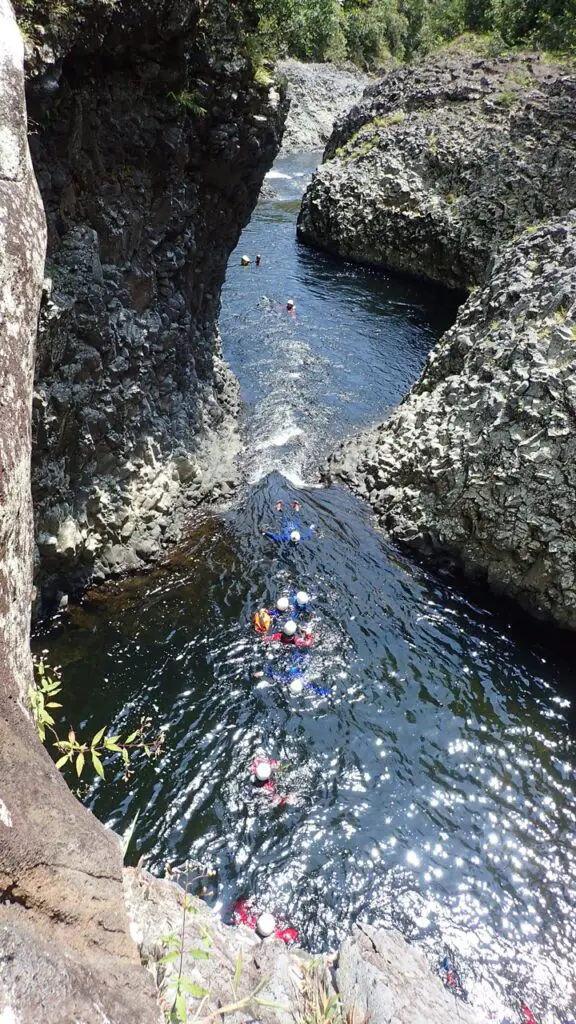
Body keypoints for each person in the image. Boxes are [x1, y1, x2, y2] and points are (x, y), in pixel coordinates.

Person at [232, 899, 298, 944]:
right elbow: (293, 934)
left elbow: (240, 905)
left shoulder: (248, 923)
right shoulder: (279, 936)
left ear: (257, 922)